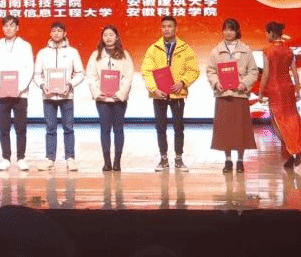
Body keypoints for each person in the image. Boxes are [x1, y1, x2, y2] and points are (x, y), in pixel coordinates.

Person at [140, 15, 200, 171]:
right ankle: (163, 159)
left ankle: (179, 159)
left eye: (169, 26)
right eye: (164, 26)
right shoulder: (153, 49)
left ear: (175, 28)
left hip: (177, 94)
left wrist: (183, 82)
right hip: (159, 94)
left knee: (178, 127)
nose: (166, 29)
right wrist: (154, 89)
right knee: (160, 127)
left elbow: (193, 70)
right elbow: (146, 71)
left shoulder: (185, 48)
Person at [206, 18, 259, 173]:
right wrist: (216, 83)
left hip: (239, 95)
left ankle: (240, 161)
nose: (228, 33)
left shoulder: (246, 50)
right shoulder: (216, 50)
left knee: (240, 129)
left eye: (231, 29)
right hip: (223, 95)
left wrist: (244, 83)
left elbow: (253, 71)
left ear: (237, 31)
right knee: (226, 130)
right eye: (226, 29)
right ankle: (228, 160)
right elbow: (210, 71)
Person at [258, 21, 301, 169]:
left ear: (271, 33)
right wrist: (298, 90)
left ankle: (293, 148)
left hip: (275, 89)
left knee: (277, 123)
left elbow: (266, 74)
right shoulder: (288, 51)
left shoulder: (268, 51)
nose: (266, 35)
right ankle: (294, 150)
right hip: (288, 87)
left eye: (266, 33)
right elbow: (295, 72)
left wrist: (261, 91)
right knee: (292, 119)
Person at [34, 21, 84, 172]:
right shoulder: (42, 53)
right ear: (50, 33)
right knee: (50, 128)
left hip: (67, 96)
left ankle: (70, 159)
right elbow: (37, 74)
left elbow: (80, 73)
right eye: (54, 31)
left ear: (64, 33)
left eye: (59, 31)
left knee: (68, 128)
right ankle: (50, 159)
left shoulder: (72, 52)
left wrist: (70, 85)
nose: (56, 33)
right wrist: (42, 85)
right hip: (48, 96)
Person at [0, 15, 35, 172]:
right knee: (4, 127)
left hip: (20, 94)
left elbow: (29, 68)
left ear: (17, 28)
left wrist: (20, 87)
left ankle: (21, 158)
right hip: (1, 93)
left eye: (12, 25)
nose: (8, 29)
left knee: (21, 127)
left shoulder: (25, 46)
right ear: (2, 28)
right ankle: (5, 158)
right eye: (6, 26)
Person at [85, 25, 133, 172]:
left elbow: (128, 76)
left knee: (118, 129)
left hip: (119, 99)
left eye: (111, 35)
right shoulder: (96, 55)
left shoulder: (124, 55)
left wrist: (120, 93)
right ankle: (107, 162)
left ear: (116, 37)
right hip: (103, 99)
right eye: (105, 35)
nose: (108, 38)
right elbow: (91, 76)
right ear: (102, 38)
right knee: (105, 129)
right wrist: (97, 92)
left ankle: (117, 162)